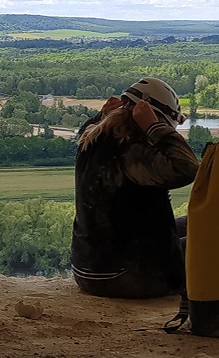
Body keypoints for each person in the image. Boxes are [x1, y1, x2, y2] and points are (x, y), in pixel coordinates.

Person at [70, 77, 201, 299]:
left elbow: (88, 127)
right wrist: (155, 127)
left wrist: (105, 114)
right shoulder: (131, 152)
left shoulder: (92, 138)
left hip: (88, 272)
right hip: (131, 278)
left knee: (196, 224)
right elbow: (187, 168)